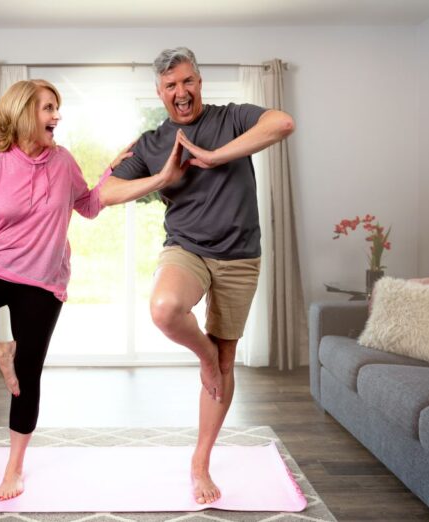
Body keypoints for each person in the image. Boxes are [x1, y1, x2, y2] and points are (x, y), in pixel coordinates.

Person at [0, 79, 189, 501]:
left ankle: (14, 466)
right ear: (22, 114)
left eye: (57, 107)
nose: (57, 116)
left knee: (28, 375)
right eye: (48, 108)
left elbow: (87, 206)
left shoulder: (63, 160)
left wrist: (117, 172)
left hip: (43, 283)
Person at [100, 47, 295, 504]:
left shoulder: (232, 118)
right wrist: (162, 176)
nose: (180, 92)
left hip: (241, 255)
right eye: (171, 85)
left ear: (200, 82)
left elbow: (282, 123)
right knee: (165, 309)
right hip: (186, 249)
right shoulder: (150, 143)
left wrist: (213, 156)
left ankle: (200, 461)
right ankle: (206, 356)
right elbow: (106, 192)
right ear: (159, 92)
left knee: (227, 360)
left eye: (187, 81)